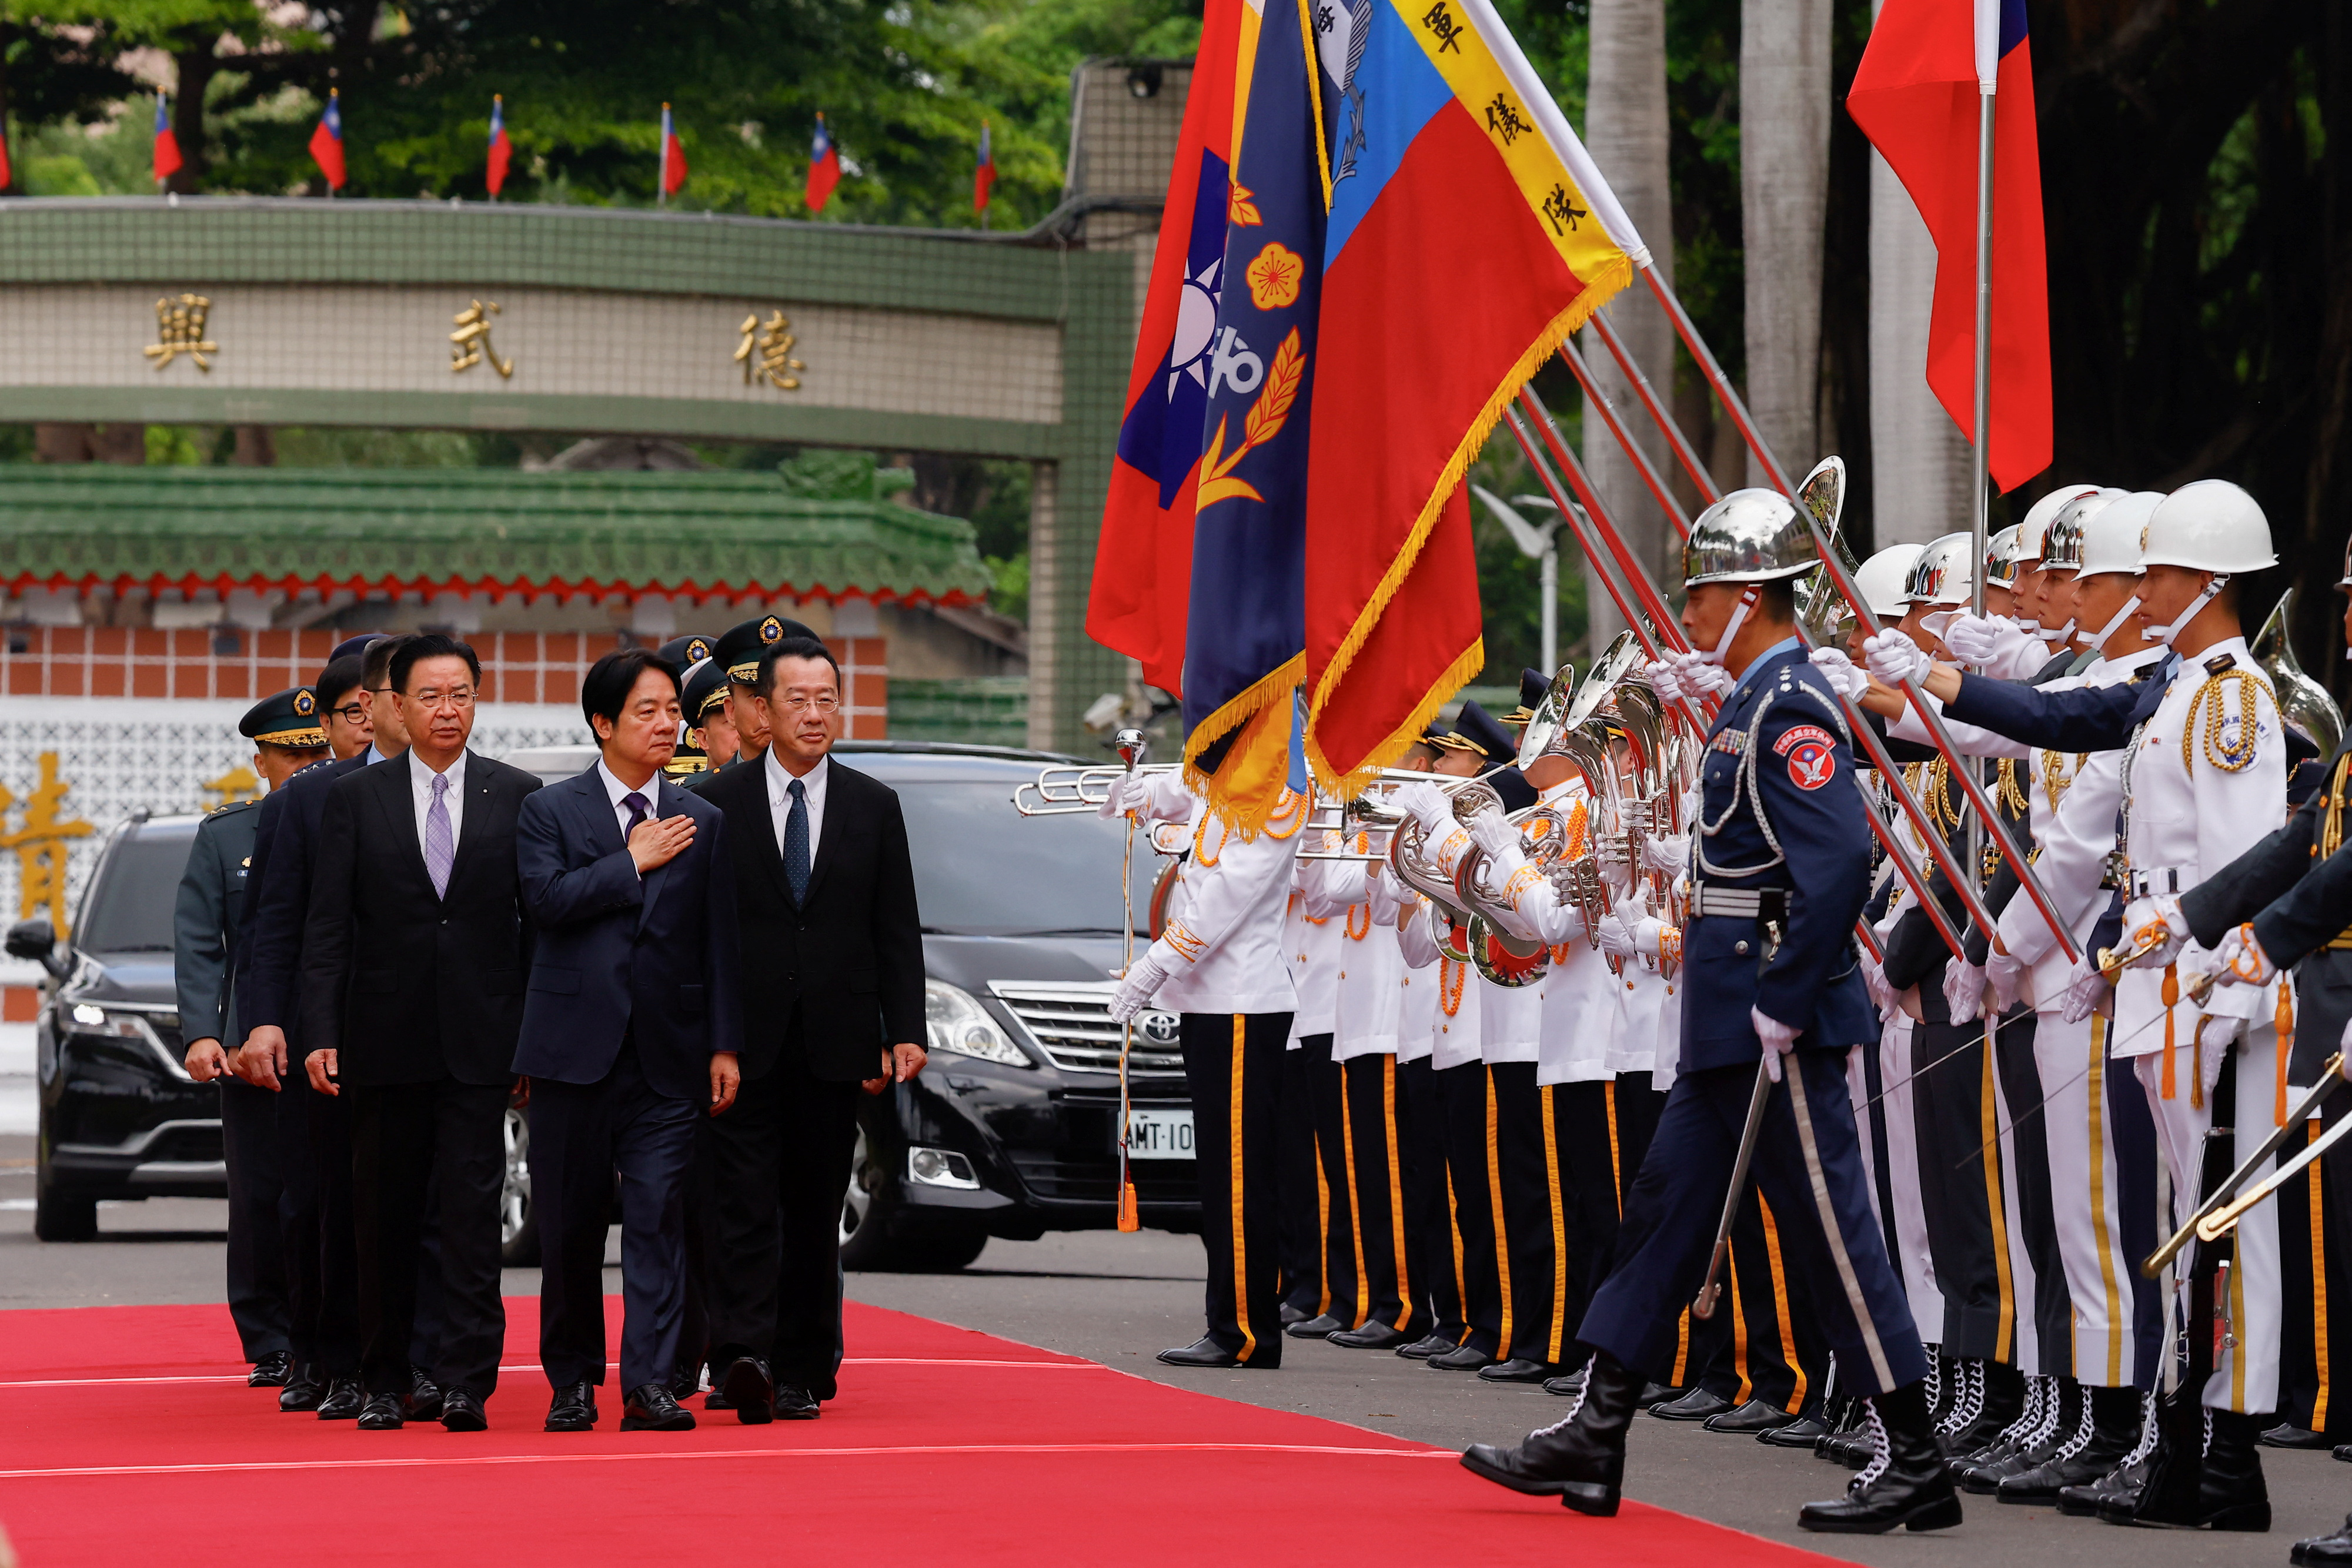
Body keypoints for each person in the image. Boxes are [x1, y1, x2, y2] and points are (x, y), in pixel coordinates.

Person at [1459, 488, 1949, 1534]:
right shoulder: (1749, 699)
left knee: (1836, 1236)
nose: (1690, 615)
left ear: (1749, 597)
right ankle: (1598, 1428)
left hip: (1782, 1024)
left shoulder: (1792, 705)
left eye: (1703, 595)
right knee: (1662, 1215)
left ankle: (1917, 1455)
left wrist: (1782, 1000)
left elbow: (1836, 867)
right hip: (1729, 1022)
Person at [1864, 479, 2290, 1529]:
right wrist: (1936, 677)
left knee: (2231, 1231)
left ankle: (2225, 1449)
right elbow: (2057, 712)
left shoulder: (2229, 697)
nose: (2143, 588)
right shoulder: (2170, 686)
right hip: (2156, 980)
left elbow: (2244, 862)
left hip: (2202, 985)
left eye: (2158, 572)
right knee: (2178, 1232)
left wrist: (2205, 964)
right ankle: (2188, 1439)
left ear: (2206, 581)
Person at [300, 633, 543, 1432]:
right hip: (382, 1035)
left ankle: (467, 1377)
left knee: (474, 1218)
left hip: (483, 1041)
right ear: (394, 706)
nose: (449, 709)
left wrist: (532, 1035)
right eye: (433, 696)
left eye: (463, 694)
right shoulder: (352, 800)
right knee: (385, 1215)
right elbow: (329, 925)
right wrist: (321, 1028)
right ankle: (384, 1376)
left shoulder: (518, 795)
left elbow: (533, 929)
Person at [694, 636, 925, 1419]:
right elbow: (704, 936)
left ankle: (799, 1367)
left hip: (836, 1040)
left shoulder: (873, 804)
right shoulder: (718, 803)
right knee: (743, 1206)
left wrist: (904, 1028)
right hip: (743, 1043)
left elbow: (896, 927)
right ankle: (740, 1355)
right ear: (762, 708)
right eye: (799, 698)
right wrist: (712, 1035)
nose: (816, 713)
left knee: (813, 1205)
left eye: (828, 698)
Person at [515, 648, 744, 1434]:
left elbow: (720, 943)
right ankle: (572, 1381)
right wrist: (629, 861)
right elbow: (545, 901)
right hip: (571, 1052)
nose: (665, 723)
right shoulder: (549, 811)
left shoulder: (703, 819)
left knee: (657, 1218)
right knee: (571, 1227)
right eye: (645, 711)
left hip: (669, 1055)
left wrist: (725, 1043)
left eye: (671, 710)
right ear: (603, 723)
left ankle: (651, 1381)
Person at [232, 647, 390, 1419]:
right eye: (354, 711)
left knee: (397, 1201)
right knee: (313, 1201)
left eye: (377, 705)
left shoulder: (444, 794)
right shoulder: (304, 799)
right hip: (311, 1031)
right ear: (330, 725)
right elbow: (270, 923)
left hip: (405, 1028)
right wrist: (262, 1019)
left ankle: (398, 1357)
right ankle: (316, 1350)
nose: (370, 722)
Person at [176, 686, 330, 1389]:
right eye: (288, 757)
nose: (304, 768)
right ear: (261, 760)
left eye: (316, 754)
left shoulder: (351, 815)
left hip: (333, 1037)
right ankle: (269, 1334)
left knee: (325, 1196)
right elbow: (203, 944)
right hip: (253, 1045)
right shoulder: (226, 837)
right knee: (263, 1196)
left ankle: (324, 1330)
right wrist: (205, 1033)